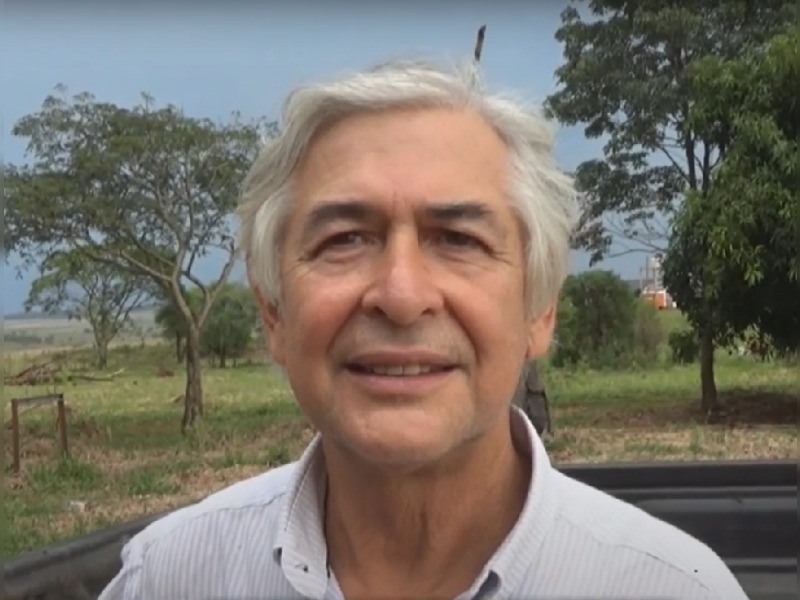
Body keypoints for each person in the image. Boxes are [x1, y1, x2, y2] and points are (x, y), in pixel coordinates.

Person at [98, 58, 749, 600]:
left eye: (459, 239)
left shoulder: (673, 588)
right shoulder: (170, 578)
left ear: (539, 308)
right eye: (344, 239)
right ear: (273, 309)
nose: (402, 296)